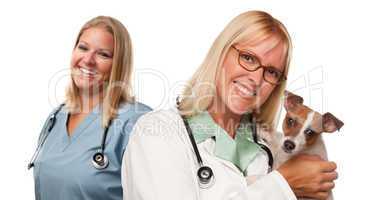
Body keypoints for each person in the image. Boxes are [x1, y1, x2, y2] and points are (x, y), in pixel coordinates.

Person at [121, 11, 337, 200]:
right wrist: (283, 184)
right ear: (221, 52)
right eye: (248, 58)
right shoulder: (158, 133)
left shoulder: (268, 150)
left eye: (271, 72)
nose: (256, 78)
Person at [30, 16, 151, 200]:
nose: (87, 60)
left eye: (103, 54)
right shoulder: (56, 117)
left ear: (118, 64)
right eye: (83, 48)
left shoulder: (137, 120)